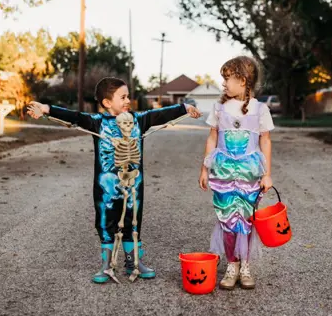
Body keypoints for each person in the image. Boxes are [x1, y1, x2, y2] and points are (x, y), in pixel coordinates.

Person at [27, 77, 201, 284]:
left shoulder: (139, 119)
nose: (128, 100)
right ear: (107, 103)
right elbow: (74, 116)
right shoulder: (96, 123)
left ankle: (133, 263)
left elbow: (160, 114)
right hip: (106, 187)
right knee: (105, 222)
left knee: (133, 222)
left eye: (129, 96)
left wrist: (184, 107)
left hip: (134, 185)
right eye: (123, 97)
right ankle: (106, 265)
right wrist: (46, 108)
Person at [198, 56, 274, 290]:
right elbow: (212, 138)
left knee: (247, 221)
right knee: (227, 220)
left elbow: (266, 141)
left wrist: (267, 174)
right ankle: (232, 264)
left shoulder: (260, 109)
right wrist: (204, 168)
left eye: (227, 78)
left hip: (250, 174)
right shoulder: (219, 108)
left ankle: (246, 265)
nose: (224, 83)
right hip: (223, 173)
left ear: (242, 80)